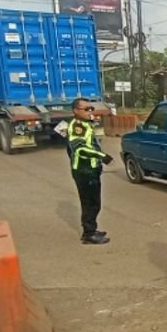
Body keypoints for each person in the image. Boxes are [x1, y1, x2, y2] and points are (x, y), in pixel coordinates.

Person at [67, 98, 113, 244]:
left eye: (91, 108)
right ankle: (89, 234)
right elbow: (79, 148)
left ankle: (91, 229)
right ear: (76, 111)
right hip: (84, 171)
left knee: (94, 202)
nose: (90, 111)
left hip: (90, 169)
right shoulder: (77, 126)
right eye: (86, 109)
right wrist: (102, 156)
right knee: (90, 203)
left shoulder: (86, 124)